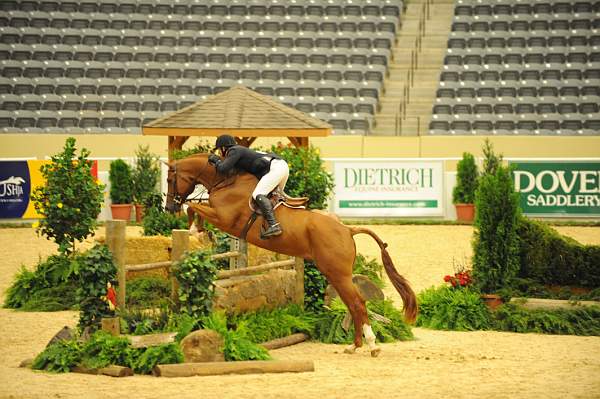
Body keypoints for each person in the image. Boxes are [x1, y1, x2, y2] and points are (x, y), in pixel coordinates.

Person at [208, 134, 289, 238]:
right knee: (273, 198)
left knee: (258, 194)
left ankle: (274, 225)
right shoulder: (239, 151)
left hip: (276, 168)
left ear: (224, 148)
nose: (219, 152)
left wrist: (217, 161)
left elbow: (223, 169)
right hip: (279, 166)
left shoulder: (234, 150)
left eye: (219, 149)